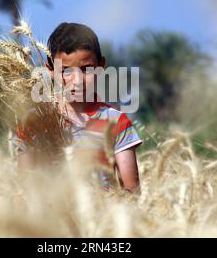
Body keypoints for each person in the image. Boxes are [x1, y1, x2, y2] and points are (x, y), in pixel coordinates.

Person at [11, 22, 142, 193]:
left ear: (101, 66)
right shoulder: (34, 122)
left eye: (86, 69)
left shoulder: (117, 123)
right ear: (50, 69)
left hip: (102, 217)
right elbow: (23, 190)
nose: (77, 81)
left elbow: (131, 190)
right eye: (66, 71)